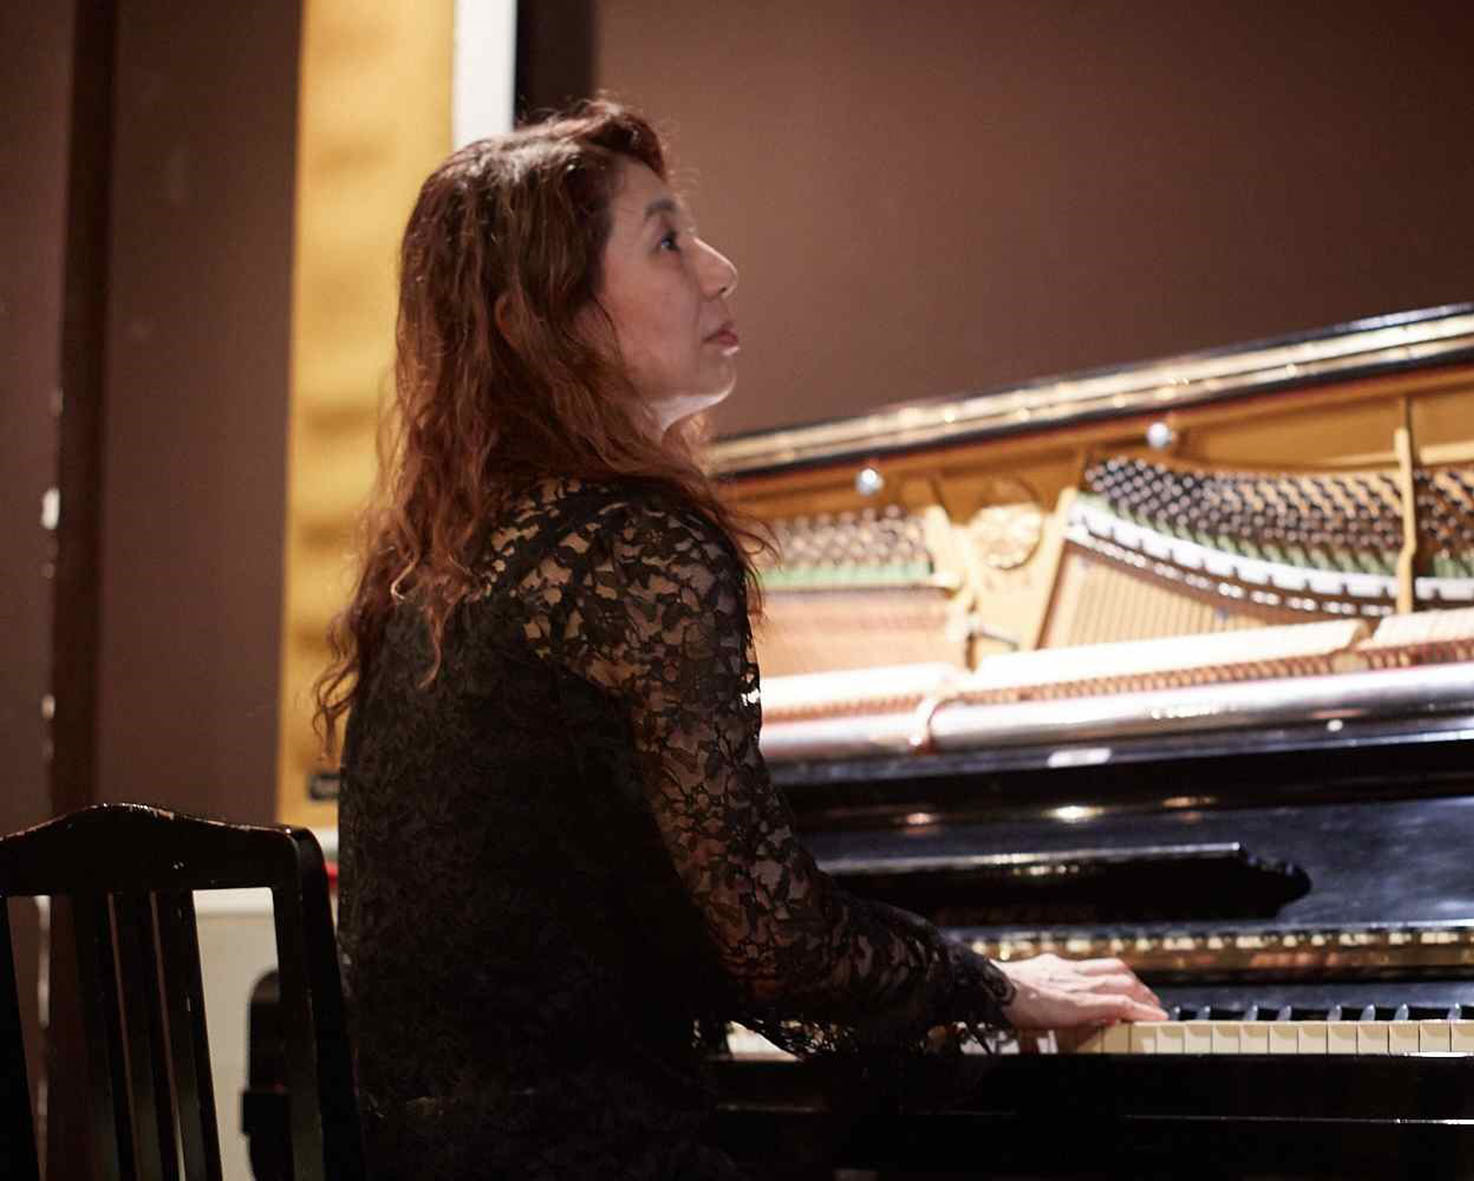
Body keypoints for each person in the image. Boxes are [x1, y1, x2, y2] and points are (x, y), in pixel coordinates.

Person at [318, 99, 1165, 1180]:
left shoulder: (438, 566)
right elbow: (773, 941)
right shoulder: (633, 545)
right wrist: (994, 985)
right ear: (544, 316)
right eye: (667, 242)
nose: (720, 270)